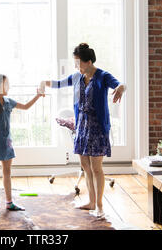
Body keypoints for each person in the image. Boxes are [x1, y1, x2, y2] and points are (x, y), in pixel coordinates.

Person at [41, 43, 126, 218]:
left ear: (88, 62)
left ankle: (100, 205)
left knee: (96, 168)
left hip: (97, 128)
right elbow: (58, 83)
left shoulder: (102, 76)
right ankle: (91, 202)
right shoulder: (76, 77)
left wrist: (121, 88)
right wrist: (44, 82)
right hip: (81, 127)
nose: (76, 66)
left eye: (78, 62)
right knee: (85, 166)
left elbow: (120, 84)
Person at [0, 74, 44, 215]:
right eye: (6, 84)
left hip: (7, 143)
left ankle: (9, 203)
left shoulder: (8, 101)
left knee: (7, 172)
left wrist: (38, 96)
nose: (9, 86)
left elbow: (26, 106)